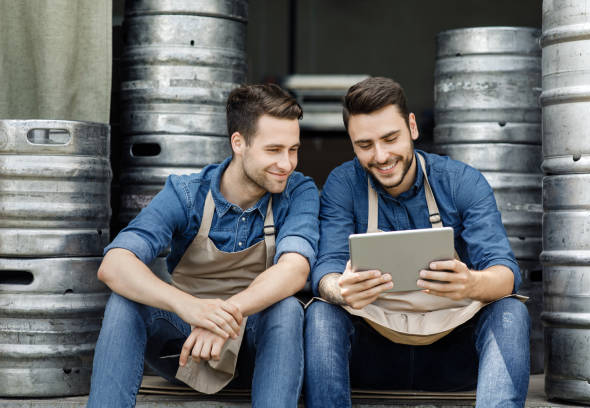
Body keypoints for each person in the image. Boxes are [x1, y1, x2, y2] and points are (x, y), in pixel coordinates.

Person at [87, 84, 319, 407]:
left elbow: (294, 270)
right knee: (125, 300)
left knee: (287, 309)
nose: (287, 163)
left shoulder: (298, 192)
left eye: (293, 149)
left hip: (255, 354)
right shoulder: (186, 194)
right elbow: (114, 263)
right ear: (238, 143)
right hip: (186, 349)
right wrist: (190, 307)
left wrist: (225, 315)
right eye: (274, 150)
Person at [304, 77, 529, 407]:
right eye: (365, 145)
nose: (381, 156)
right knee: (321, 313)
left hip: (453, 353)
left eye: (390, 138)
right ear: (352, 144)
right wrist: (339, 288)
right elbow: (325, 268)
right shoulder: (342, 183)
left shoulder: (461, 181)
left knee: (511, 310)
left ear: (412, 127)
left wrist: (471, 283)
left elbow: (505, 273)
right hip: (373, 354)